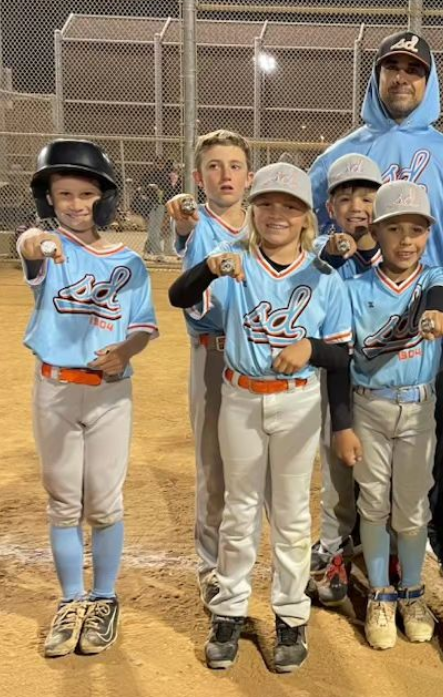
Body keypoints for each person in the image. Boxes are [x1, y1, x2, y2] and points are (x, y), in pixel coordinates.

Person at [309, 31, 443, 579]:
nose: (402, 78)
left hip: (424, 331)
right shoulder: (341, 154)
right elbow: (304, 229)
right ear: (377, 76)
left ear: (429, 81)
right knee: (348, 439)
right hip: (355, 323)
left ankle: (434, 531)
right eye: (392, 67)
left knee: (427, 437)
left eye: (414, 69)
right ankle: (346, 544)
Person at [168, 162, 352, 673]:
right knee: (239, 509)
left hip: (297, 401)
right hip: (240, 399)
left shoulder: (324, 277)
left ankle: (291, 616)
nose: (278, 214)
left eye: (290, 206)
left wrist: (309, 347)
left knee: (292, 516)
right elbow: (179, 296)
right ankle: (228, 612)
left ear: (305, 219)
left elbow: (342, 356)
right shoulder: (236, 265)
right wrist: (210, 267)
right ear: (252, 211)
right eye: (267, 204)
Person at [19, 139, 158, 657]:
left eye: (85, 193)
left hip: (108, 394)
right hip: (54, 388)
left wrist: (125, 350)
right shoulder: (47, 248)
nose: (76, 204)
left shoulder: (129, 262)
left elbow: (143, 329)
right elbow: (29, 246)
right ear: (49, 200)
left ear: (103, 198)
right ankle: (70, 600)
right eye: (64, 194)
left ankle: (103, 598)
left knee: (103, 500)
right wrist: (40, 241)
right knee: (62, 502)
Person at [329, 181, 443, 650]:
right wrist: (342, 422)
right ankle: (381, 593)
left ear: (428, 234)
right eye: (394, 229)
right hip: (369, 404)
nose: (406, 240)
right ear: (376, 233)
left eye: (416, 230)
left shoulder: (433, 278)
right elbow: (340, 357)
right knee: (373, 503)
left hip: (418, 406)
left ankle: (413, 592)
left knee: (413, 507)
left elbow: (440, 297)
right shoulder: (353, 286)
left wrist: (438, 316)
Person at [164, 130, 253, 608]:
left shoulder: (264, 222)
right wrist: (182, 220)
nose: (225, 175)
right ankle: (211, 566)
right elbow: (183, 230)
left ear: (249, 176)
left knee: (264, 468)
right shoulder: (198, 225)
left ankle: (258, 560)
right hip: (214, 355)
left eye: (234, 165)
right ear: (199, 177)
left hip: (260, 356)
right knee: (214, 467)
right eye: (214, 167)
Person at [308, 152, 385, 607]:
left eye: (367, 197)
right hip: (336, 375)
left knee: (382, 471)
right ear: (330, 206)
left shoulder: (392, 246)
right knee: (338, 469)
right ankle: (333, 548)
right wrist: (331, 257)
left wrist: (371, 249)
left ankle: (376, 546)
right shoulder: (318, 251)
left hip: (383, 380)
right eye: (345, 197)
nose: (357, 206)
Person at [138, 156, 181, 257]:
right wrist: (152, 188)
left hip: (169, 204)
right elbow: (141, 189)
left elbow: (172, 191)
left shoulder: (170, 177)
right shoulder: (150, 175)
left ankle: (168, 248)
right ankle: (155, 251)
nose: (161, 166)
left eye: (163, 163)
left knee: (170, 228)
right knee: (155, 229)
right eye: (159, 163)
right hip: (155, 205)